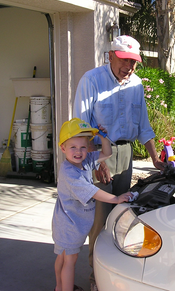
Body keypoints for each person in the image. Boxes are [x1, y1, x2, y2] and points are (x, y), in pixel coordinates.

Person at [73, 35, 166, 291]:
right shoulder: (91, 80)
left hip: (125, 153)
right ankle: (96, 278)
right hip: (98, 154)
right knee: (99, 220)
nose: (129, 68)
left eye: (134, 62)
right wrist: (97, 160)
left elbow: (144, 125)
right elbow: (81, 126)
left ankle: (114, 273)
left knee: (121, 216)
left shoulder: (135, 83)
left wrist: (156, 158)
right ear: (111, 56)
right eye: (124, 61)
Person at [52, 118, 132, 291]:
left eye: (83, 147)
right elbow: (93, 191)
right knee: (69, 261)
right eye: (73, 147)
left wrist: (103, 136)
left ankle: (59, 287)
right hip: (69, 225)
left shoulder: (85, 161)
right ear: (63, 148)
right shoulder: (70, 174)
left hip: (70, 222)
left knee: (62, 257)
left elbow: (107, 153)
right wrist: (115, 199)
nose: (78, 152)